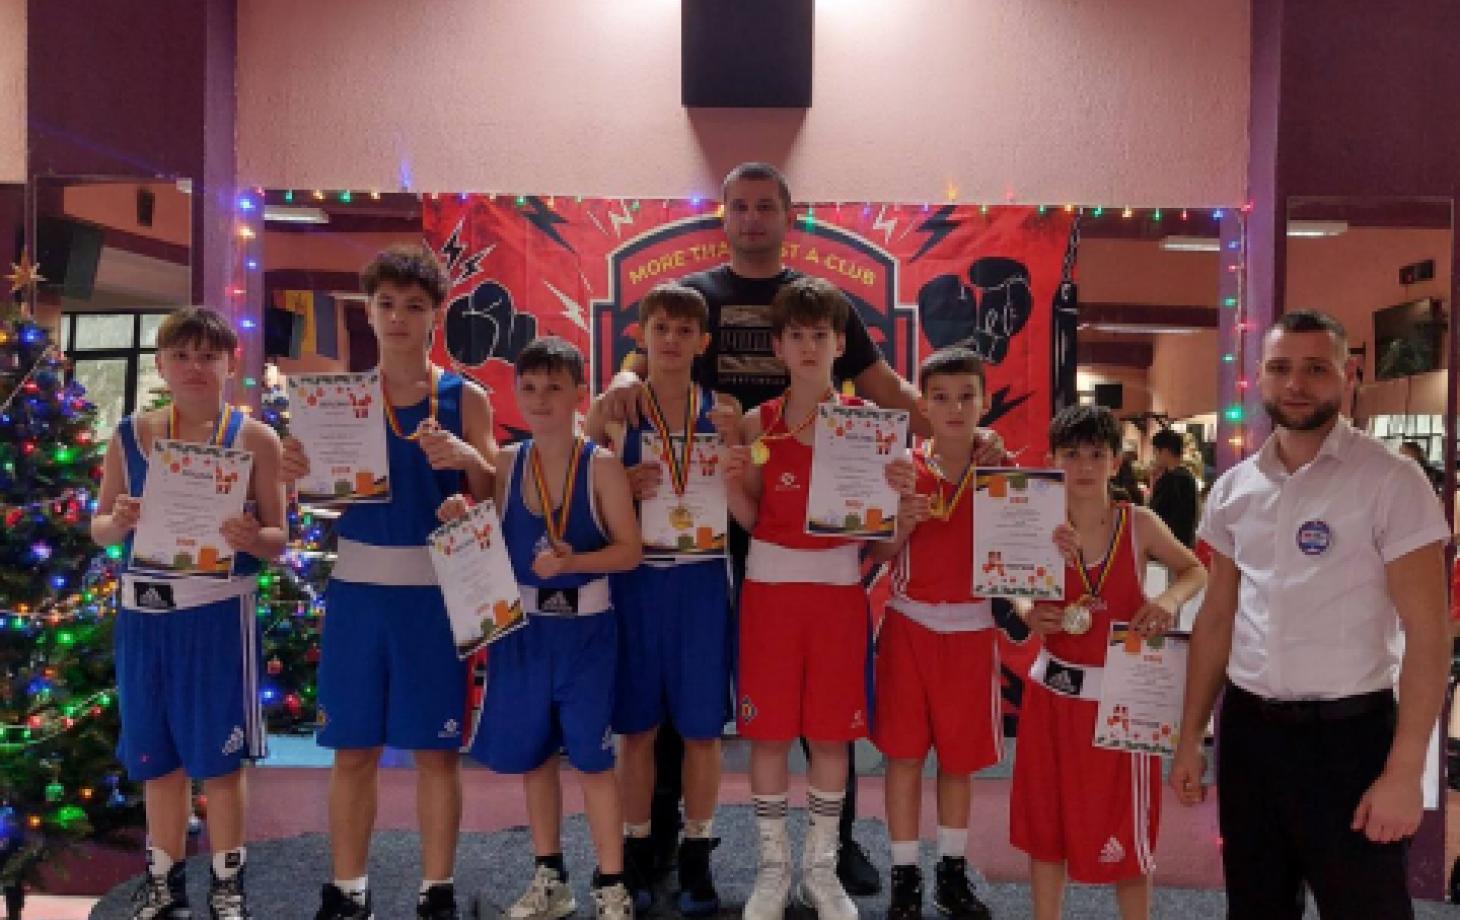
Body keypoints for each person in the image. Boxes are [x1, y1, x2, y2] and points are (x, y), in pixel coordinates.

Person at [597, 161, 1001, 895]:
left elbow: (887, 389)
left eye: (765, 206)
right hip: (715, 505)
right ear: (724, 216)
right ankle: (668, 840)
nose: (752, 218)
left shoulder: (826, 303)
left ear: (789, 215)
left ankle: (831, 850)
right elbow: (643, 359)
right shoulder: (700, 296)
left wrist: (965, 435)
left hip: (816, 510)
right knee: (694, 694)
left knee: (828, 703)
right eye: (739, 206)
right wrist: (623, 379)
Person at [1170, 310, 1451, 920]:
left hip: (1350, 740)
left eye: (1316, 369)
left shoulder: (1391, 482)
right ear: (1260, 377)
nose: (1295, 383)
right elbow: (1217, 619)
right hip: (1250, 734)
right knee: (1256, 908)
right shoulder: (1234, 489)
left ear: (1348, 376)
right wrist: (1190, 736)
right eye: (1280, 368)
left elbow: (1429, 635)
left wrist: (1405, 773)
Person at [284, 244, 498, 920]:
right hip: (358, 593)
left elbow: (499, 492)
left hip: (435, 596)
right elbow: (312, 503)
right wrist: (295, 473)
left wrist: (468, 458)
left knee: (437, 752)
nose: (399, 316)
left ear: (436, 314)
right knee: (352, 750)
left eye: (413, 305)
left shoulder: (465, 398)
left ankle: (437, 891)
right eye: (386, 304)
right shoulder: (337, 403)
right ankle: (348, 890)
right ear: (370, 313)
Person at [722, 276, 912, 920]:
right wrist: (729, 488)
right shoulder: (759, 423)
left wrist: (901, 509)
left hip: (837, 597)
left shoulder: (870, 429)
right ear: (778, 346)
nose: (809, 346)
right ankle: (773, 872)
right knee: (769, 737)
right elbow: (754, 517)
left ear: (839, 345)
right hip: (770, 597)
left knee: (832, 739)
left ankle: (820, 872)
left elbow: (880, 546)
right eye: (797, 335)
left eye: (820, 335)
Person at [93, 306, 288, 920]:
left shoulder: (255, 438)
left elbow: (279, 538)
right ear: (161, 363)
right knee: (158, 761)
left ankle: (227, 886)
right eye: (182, 355)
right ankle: (164, 883)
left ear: (231, 363)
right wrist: (117, 521)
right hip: (144, 617)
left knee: (220, 763)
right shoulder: (130, 434)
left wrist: (253, 536)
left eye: (208, 356)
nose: (195, 367)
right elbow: (99, 528)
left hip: (215, 617)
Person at [867, 346, 1063, 920]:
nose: (954, 408)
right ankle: (905, 877)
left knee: (958, 762)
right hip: (908, 627)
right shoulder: (901, 468)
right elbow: (878, 553)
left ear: (983, 402)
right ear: (923, 406)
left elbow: (1020, 567)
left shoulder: (1003, 476)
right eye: (941, 397)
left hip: (972, 633)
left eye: (965, 396)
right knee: (903, 759)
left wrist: (1028, 609)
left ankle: (951, 874)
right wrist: (901, 526)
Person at [465, 336, 643, 920]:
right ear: (517, 394)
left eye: (554, 388)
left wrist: (574, 562)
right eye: (530, 388)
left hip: (586, 634)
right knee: (535, 757)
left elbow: (629, 552)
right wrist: (462, 519)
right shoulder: (507, 464)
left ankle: (611, 884)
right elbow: (489, 539)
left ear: (578, 395)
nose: (541, 399)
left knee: (594, 762)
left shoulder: (603, 466)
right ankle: (550, 878)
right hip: (524, 632)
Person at [1009, 404, 1205, 920]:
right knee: (1046, 830)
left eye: (1096, 455)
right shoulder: (1037, 519)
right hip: (1051, 698)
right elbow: (1014, 583)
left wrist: (1167, 600)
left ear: (1116, 462)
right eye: (1071, 455)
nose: (1084, 466)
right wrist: (1028, 611)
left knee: (1127, 840)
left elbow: (1194, 570)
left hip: (1122, 704)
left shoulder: (1138, 523)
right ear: (1052, 460)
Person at [584, 283, 738, 915]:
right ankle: (638, 849)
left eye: (683, 330)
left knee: (702, 730)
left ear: (702, 342)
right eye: (660, 329)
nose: (671, 340)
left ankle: (698, 853)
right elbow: (581, 504)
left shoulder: (725, 410)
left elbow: (750, 485)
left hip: (701, 579)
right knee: (638, 728)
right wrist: (620, 483)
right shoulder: (613, 411)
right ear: (641, 337)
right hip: (637, 578)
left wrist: (741, 457)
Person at [1147, 427, 1199, 547]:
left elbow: (1155, 515)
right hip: (1182, 545)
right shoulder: (1187, 476)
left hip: (1168, 546)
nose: (1155, 457)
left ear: (1165, 451)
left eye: (1155, 452)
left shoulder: (1173, 479)